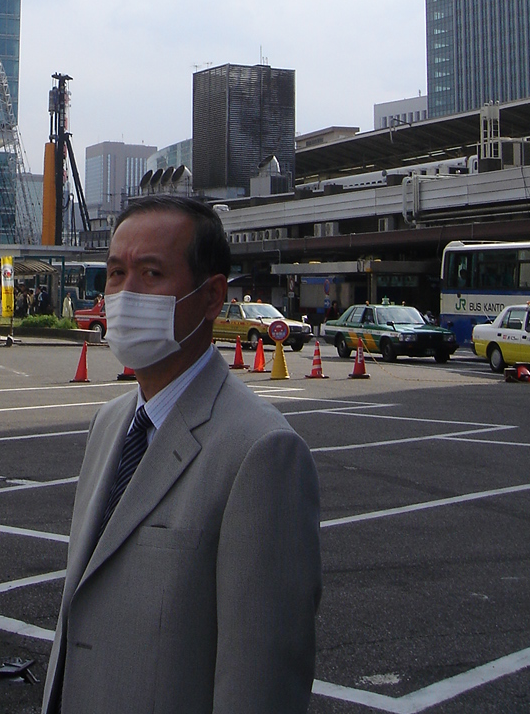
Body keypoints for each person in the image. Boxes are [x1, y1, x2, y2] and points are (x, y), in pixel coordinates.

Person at [42, 195, 321, 714]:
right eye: (116, 273)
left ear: (211, 296)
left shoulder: (262, 453)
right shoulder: (110, 423)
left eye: (151, 273)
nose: (126, 294)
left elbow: (260, 685)